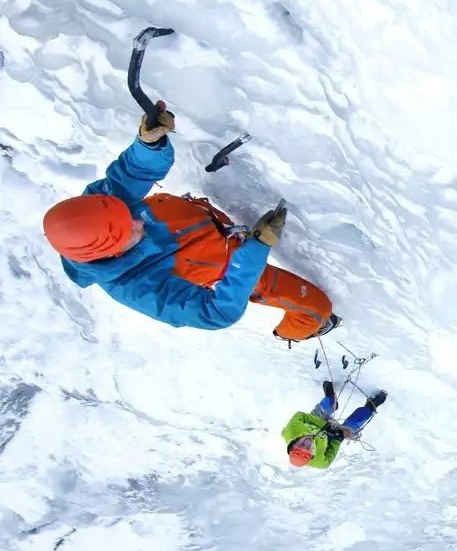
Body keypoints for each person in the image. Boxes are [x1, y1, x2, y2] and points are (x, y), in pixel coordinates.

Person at [41, 107, 340, 342]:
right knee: (317, 308)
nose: (136, 218)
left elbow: (132, 171)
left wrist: (149, 142)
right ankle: (297, 333)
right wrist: (255, 250)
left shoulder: (97, 211)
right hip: (229, 266)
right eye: (128, 229)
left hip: (205, 225)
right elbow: (216, 312)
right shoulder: (135, 288)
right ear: (114, 252)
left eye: (125, 213)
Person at [283, 380, 387, 468]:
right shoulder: (321, 462)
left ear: (293, 445)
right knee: (350, 429)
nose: (307, 441)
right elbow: (331, 452)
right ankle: (370, 406)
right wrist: (338, 438)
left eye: (301, 444)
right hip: (329, 438)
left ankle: (331, 397)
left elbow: (300, 415)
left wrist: (324, 425)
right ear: (312, 454)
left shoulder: (290, 431)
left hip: (315, 421)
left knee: (328, 405)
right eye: (309, 447)